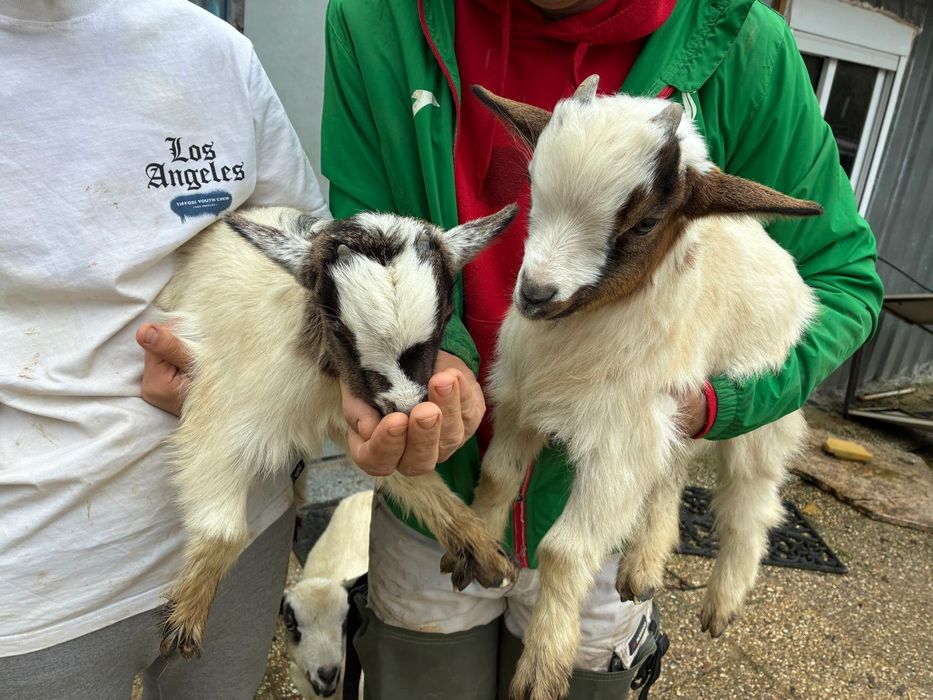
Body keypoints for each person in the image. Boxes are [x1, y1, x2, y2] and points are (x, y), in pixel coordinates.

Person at [319, 0, 884, 698]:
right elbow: (362, 229)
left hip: (609, 500)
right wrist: (427, 353)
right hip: (435, 491)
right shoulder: (376, 20)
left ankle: (718, 545)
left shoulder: (742, 44)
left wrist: (713, 405)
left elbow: (842, 279)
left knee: (732, 473)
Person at [0, 2, 328, 698]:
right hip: (33, 580)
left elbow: (306, 245)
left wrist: (258, 366)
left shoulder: (210, 49)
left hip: (241, 530)